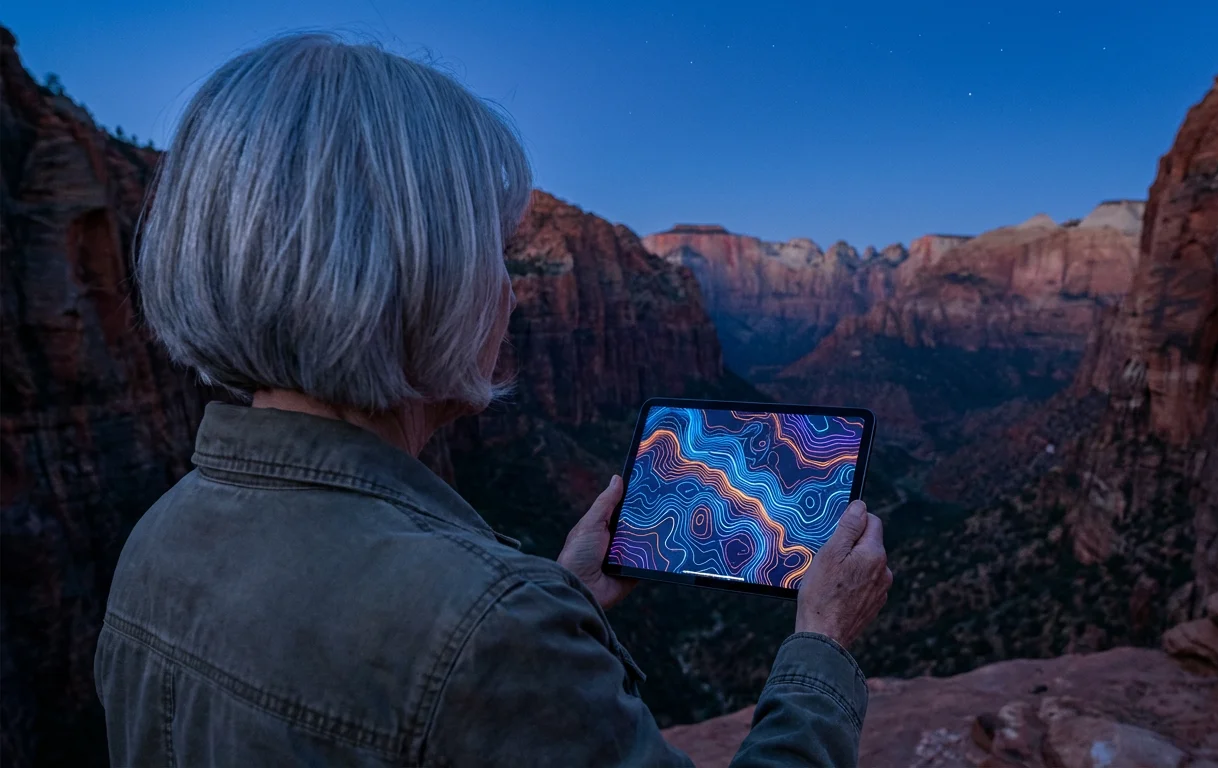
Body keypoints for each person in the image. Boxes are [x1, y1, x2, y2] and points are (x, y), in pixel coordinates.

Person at [96, 32, 892, 767]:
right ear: (412, 278)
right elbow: (444, 662)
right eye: (496, 255)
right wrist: (821, 643)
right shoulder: (491, 630)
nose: (514, 295)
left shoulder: (158, 539)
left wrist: (565, 596)